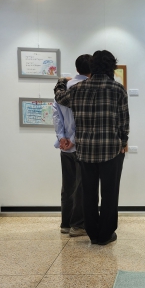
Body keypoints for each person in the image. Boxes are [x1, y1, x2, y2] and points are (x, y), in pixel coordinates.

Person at [54, 50, 129, 246]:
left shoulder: (78, 88)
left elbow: (60, 97)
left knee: (88, 194)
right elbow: (123, 121)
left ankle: (93, 233)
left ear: (92, 66)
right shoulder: (118, 89)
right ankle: (106, 234)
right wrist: (123, 142)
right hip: (111, 150)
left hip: (85, 151)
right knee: (110, 194)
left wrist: (61, 81)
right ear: (111, 67)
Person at [52, 54, 89, 237]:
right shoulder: (88, 88)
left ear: (76, 68)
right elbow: (83, 118)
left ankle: (65, 224)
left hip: (65, 146)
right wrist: (73, 139)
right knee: (82, 187)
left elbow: (56, 115)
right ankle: (78, 225)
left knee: (67, 186)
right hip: (82, 146)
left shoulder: (63, 89)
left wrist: (62, 138)